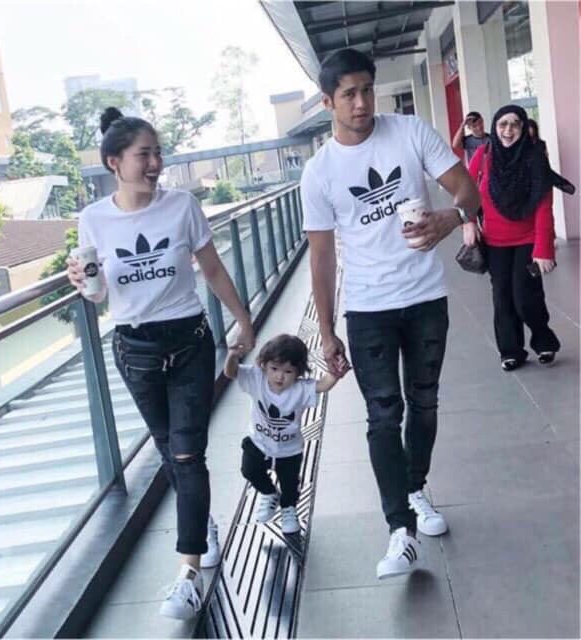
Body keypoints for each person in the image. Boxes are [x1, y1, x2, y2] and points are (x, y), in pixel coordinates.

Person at [65, 107, 255, 621]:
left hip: (190, 339)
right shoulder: (93, 219)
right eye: (143, 155)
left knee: (189, 455)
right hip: (135, 350)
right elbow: (98, 295)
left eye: (157, 153)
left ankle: (188, 573)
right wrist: (82, 281)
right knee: (172, 452)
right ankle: (202, 524)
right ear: (114, 163)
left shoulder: (182, 206)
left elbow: (211, 267)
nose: (155, 163)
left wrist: (244, 319)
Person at [300, 48, 480, 580]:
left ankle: (415, 486)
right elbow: (322, 254)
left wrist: (451, 219)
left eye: (366, 90)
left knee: (424, 403)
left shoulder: (410, 132)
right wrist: (327, 330)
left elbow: (467, 190)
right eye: (349, 95)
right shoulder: (319, 172)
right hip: (369, 310)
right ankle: (399, 530)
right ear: (328, 101)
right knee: (383, 414)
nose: (361, 103)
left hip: (425, 297)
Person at [463, 105, 561, 371]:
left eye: (515, 124)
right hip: (494, 241)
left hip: (528, 240)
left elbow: (543, 206)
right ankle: (511, 351)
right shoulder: (484, 156)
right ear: (494, 127)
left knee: (525, 297)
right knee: (502, 297)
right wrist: (469, 222)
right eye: (503, 124)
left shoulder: (534, 158)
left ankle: (544, 340)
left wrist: (544, 249)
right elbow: (466, 191)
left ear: (523, 127)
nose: (508, 130)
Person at [224, 334, 346, 534]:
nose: (279, 376)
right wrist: (232, 356)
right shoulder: (256, 378)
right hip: (258, 442)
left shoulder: (301, 388)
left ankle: (289, 509)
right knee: (249, 470)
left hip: (289, 450)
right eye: (274, 369)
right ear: (264, 365)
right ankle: (269, 492)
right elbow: (231, 373)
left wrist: (336, 373)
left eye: (288, 371)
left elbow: (323, 385)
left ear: (298, 372)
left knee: (290, 485)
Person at [527, 118, 576, 195]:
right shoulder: (523, 145)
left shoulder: (541, 143)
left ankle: (565, 185)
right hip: (531, 173)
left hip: (542, 168)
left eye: (530, 128)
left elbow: (545, 158)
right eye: (527, 128)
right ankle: (565, 185)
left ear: (534, 129)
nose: (529, 131)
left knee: (547, 173)